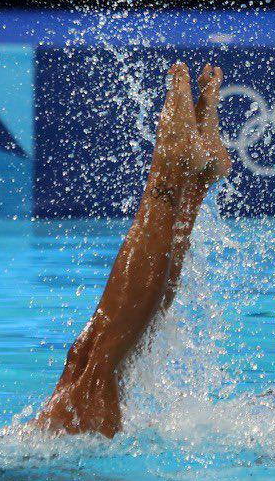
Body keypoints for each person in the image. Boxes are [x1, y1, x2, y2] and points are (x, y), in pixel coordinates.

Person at [32, 62, 230, 436]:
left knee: (86, 358)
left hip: (46, 459)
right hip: (62, 463)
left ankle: (186, 181)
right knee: (97, 368)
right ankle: (178, 177)